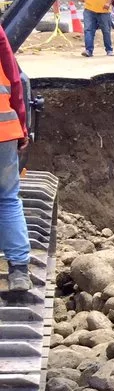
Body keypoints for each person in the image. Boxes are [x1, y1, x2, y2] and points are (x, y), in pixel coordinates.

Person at [0, 27, 31, 293]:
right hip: (3, 130)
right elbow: (15, 79)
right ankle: (19, 271)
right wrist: (22, 127)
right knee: (7, 198)